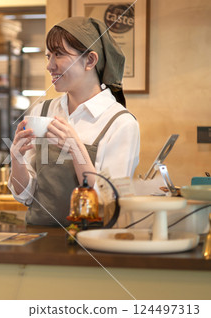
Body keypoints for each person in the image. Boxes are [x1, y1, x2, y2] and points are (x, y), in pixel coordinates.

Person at [9, 17, 140, 226]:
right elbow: (26, 195)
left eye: (58, 54)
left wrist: (77, 149)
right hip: (39, 238)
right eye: (48, 55)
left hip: (92, 244)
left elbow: (109, 203)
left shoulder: (120, 123)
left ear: (90, 60)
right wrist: (16, 158)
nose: (49, 65)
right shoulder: (41, 111)